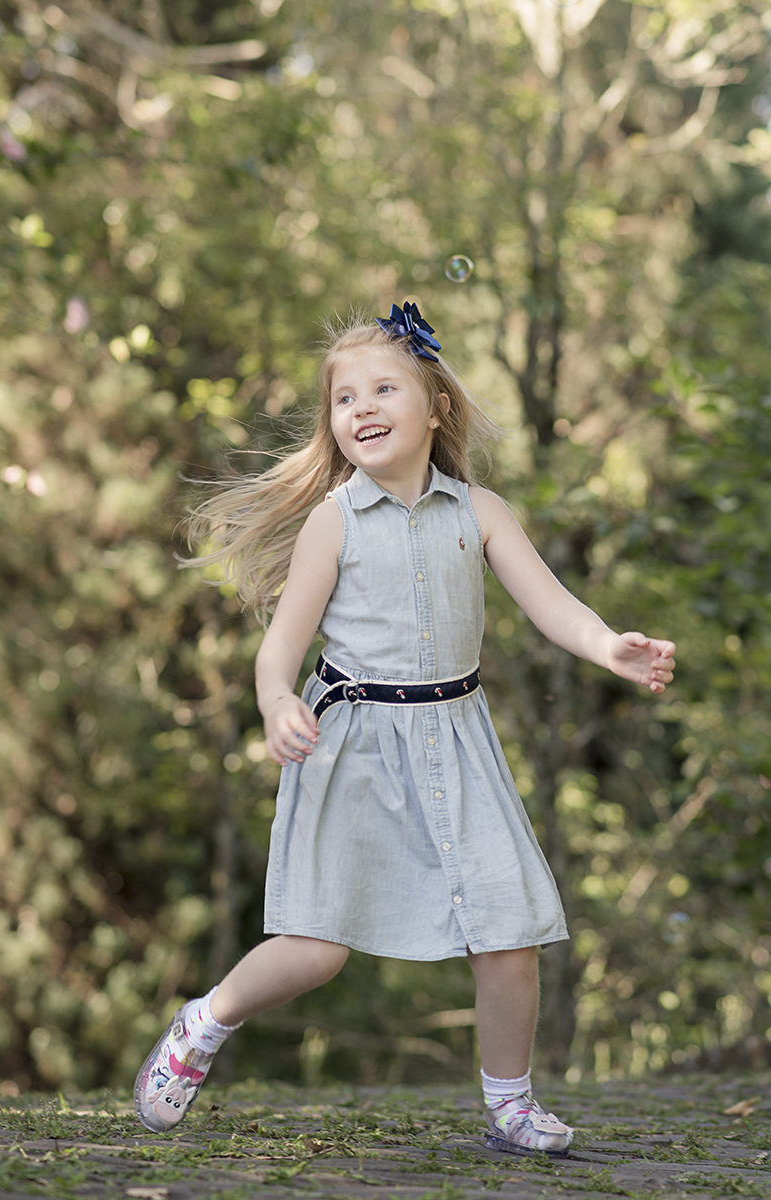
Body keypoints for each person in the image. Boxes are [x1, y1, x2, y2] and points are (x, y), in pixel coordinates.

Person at [134, 302, 675, 1155]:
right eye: (345, 398)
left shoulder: (481, 513)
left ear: (437, 409)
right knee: (315, 947)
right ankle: (205, 1021)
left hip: (456, 741)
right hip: (351, 744)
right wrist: (279, 704)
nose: (362, 407)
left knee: (508, 928)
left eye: (385, 387)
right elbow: (279, 654)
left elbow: (551, 605)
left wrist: (610, 646)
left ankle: (511, 1103)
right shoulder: (334, 522)